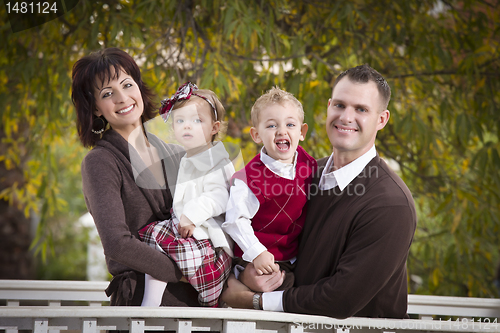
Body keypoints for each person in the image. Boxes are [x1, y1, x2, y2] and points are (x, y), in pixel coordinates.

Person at [222, 64, 417, 319]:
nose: (346, 117)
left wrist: (256, 301)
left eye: (361, 109)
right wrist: (249, 273)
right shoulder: (306, 173)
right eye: (339, 105)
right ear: (328, 107)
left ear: (382, 119)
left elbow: (341, 298)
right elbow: (268, 234)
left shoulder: (390, 205)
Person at [73, 48, 200, 306]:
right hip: (141, 302)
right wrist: (183, 271)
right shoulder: (101, 162)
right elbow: (117, 244)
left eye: (127, 85)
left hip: (197, 300)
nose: (122, 98)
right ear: (96, 109)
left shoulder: (177, 154)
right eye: (107, 94)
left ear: (139, 89)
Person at [138, 82, 234, 307]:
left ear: (214, 127)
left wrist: (191, 214)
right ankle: (151, 301)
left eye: (197, 121)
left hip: (207, 238)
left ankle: (204, 298)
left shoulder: (216, 160)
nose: (187, 127)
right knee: (154, 241)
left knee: (163, 242)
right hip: (187, 228)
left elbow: (219, 196)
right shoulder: (188, 157)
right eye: (180, 121)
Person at [222, 87, 316, 290]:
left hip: (292, 254)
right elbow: (235, 220)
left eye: (290, 124)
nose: (282, 131)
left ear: (301, 132)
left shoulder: (309, 166)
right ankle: (238, 280)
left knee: (308, 281)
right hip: (256, 256)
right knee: (276, 284)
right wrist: (257, 252)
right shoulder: (249, 180)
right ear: (256, 135)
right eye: (272, 125)